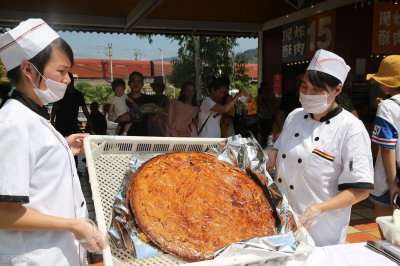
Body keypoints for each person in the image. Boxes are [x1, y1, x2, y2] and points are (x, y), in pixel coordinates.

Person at [0, 19, 106, 266]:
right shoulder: (13, 123)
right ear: (28, 69)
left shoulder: (33, 116)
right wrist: (74, 226)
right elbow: (4, 213)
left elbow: (37, 173)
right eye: (61, 71)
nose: (68, 79)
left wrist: (64, 149)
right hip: (34, 257)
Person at [267, 49, 373, 246]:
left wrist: (318, 209)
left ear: (337, 90)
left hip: (322, 230)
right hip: (281, 220)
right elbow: (280, 148)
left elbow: (361, 190)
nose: (307, 94)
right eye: (304, 86)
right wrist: (273, 153)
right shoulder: (294, 116)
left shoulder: (351, 129)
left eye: (316, 90)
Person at [367, 55, 400, 217]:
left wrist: (393, 184)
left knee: (389, 236)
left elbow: (387, 148)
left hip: (390, 182)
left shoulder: (387, 107)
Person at [127, 71, 153, 136]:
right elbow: (114, 118)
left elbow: (155, 117)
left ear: (142, 84)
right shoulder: (122, 99)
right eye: (133, 81)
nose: (136, 84)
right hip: (125, 138)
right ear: (129, 83)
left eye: (139, 81)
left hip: (143, 137)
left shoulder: (149, 99)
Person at [257, 81, 279, 148]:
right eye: (265, 87)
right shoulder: (260, 96)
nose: (267, 88)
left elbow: (275, 103)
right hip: (263, 117)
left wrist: (268, 100)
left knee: (270, 134)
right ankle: (264, 147)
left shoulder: (270, 94)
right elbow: (257, 105)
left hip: (270, 117)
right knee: (263, 134)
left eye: (267, 87)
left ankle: (269, 146)